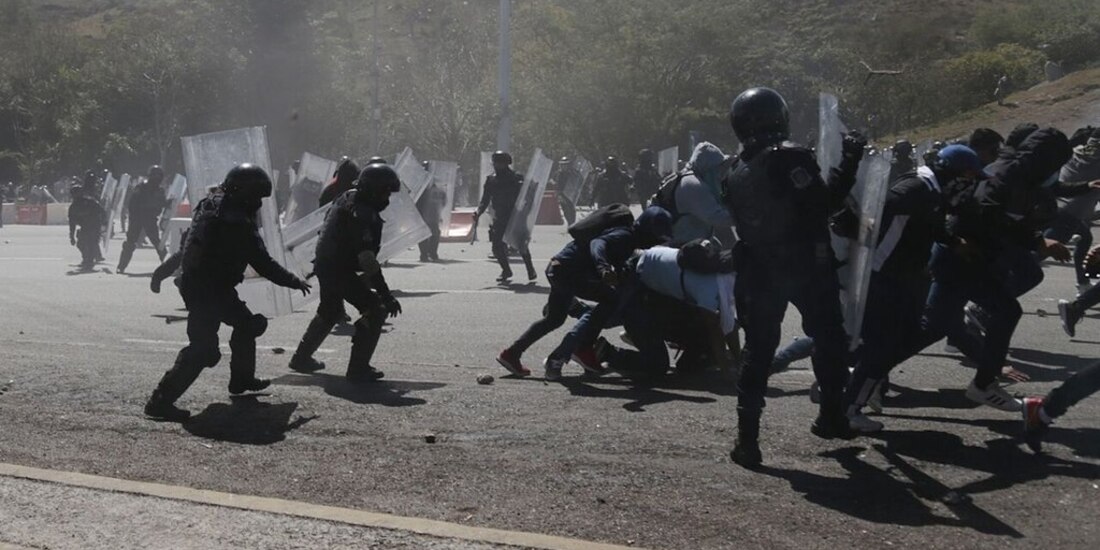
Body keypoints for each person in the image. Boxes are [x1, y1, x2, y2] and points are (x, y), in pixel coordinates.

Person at [722, 87, 866, 468]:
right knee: (830, 338)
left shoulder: (734, 170)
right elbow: (823, 203)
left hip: (758, 268)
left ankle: (746, 441)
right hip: (803, 263)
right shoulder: (789, 156)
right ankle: (831, 415)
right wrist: (848, 162)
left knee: (758, 351)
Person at [143, 164, 311, 421]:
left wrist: (162, 271)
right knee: (203, 350)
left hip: (210, 286)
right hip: (205, 290)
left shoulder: (209, 205)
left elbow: (188, 245)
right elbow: (263, 263)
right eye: (255, 197)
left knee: (248, 324)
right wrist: (294, 281)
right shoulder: (237, 222)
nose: (257, 204)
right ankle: (159, 401)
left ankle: (241, 379)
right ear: (241, 193)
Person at [495, 206, 673, 379]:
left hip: (557, 268)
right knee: (610, 301)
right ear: (646, 231)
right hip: (569, 273)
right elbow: (598, 243)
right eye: (655, 238)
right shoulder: (625, 236)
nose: (655, 243)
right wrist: (603, 267)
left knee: (554, 319)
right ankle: (578, 351)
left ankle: (511, 354)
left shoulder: (627, 238)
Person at [287, 161, 403, 381]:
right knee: (375, 310)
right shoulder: (363, 212)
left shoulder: (347, 197)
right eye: (385, 192)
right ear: (374, 190)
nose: (387, 199)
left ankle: (301, 358)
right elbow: (367, 259)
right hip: (338, 269)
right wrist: (386, 295)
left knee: (329, 311)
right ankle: (358, 368)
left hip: (326, 264)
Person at [474, 151, 536, 282]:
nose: (497, 165)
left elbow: (529, 195)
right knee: (496, 246)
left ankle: (530, 269)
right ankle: (506, 270)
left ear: (507, 163)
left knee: (521, 245)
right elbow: (485, 199)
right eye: (496, 162)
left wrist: (527, 210)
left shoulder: (517, 178)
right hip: (500, 216)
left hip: (516, 215)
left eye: (500, 162)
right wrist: (478, 212)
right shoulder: (491, 180)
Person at [671, 142, 735, 246]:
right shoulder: (692, 184)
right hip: (680, 246)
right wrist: (747, 215)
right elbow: (717, 217)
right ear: (708, 169)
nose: (720, 174)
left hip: (691, 242)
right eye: (718, 169)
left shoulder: (691, 178)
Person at [117, 165, 168, 273]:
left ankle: (168, 264)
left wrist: (168, 203)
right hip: (138, 218)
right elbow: (133, 203)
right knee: (130, 243)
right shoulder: (142, 187)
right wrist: (133, 217)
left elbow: (162, 203)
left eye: (158, 176)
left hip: (150, 218)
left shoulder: (160, 190)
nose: (156, 178)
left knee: (157, 243)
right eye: (155, 175)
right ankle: (121, 266)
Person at [67, 184, 107, 271]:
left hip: (95, 226)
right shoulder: (73, 207)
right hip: (85, 227)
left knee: (92, 243)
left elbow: (102, 211)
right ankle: (86, 259)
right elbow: (72, 223)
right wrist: (72, 236)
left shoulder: (90, 202)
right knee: (81, 244)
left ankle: (90, 261)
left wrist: (104, 223)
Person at [417, 160, 444, 262]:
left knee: (434, 233)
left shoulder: (433, 186)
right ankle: (426, 253)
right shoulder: (419, 185)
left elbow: (442, 198)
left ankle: (431, 253)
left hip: (431, 213)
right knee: (426, 234)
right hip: (423, 212)